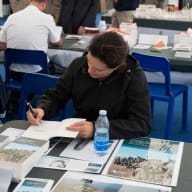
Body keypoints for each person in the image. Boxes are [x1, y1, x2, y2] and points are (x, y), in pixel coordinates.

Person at [27, 31, 151, 140]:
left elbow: (142, 124)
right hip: (79, 131)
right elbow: (56, 96)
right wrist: (42, 109)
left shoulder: (133, 76)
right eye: (89, 62)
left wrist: (97, 128)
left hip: (116, 135)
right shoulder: (79, 65)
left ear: (116, 67)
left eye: (97, 69)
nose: (89, 70)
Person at [0, 0, 62, 114]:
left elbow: (2, 45)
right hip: (37, 73)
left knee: (24, 68)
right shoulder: (47, 18)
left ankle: (17, 97)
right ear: (45, 2)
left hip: (14, 73)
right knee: (53, 67)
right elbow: (57, 42)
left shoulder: (12, 17)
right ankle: (38, 100)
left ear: (29, 1)